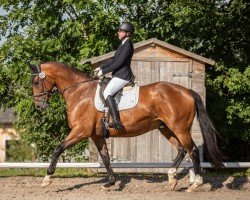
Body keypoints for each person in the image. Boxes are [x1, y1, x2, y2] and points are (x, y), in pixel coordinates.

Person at [94, 22, 135, 130]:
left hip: (123, 76)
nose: (118, 32)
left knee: (107, 92)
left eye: (120, 31)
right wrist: (101, 67)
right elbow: (114, 60)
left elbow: (119, 63)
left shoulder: (128, 45)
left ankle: (117, 121)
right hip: (118, 75)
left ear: (127, 33)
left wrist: (104, 72)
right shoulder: (122, 44)